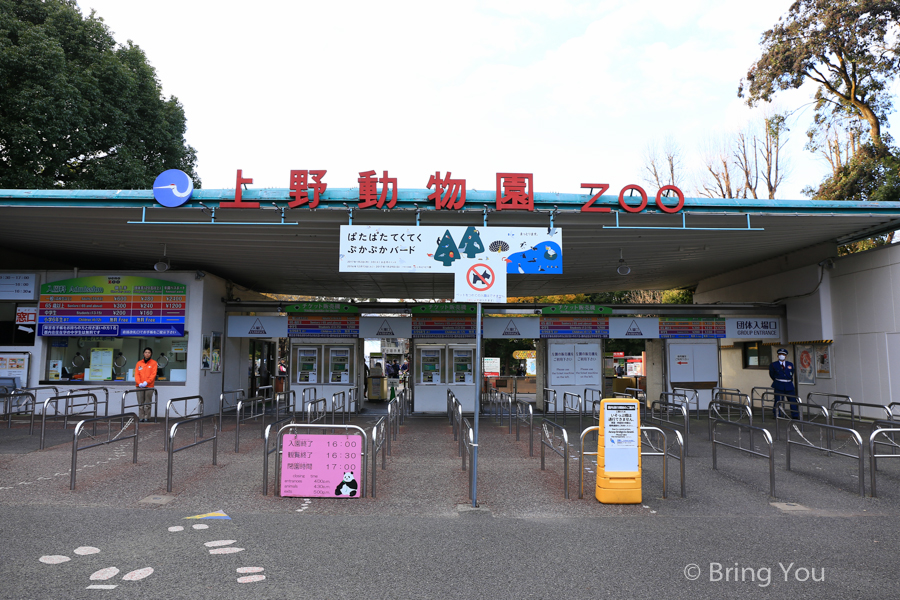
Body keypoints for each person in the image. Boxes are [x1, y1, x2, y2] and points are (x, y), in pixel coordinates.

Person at [768, 348, 798, 419]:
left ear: (786, 356)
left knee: (793, 400)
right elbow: (772, 374)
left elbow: (791, 373)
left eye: (783, 354)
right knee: (778, 401)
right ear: (777, 356)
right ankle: (776, 414)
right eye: (780, 354)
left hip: (789, 385)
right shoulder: (773, 365)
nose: (782, 356)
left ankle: (795, 415)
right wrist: (778, 380)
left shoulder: (790, 364)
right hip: (779, 384)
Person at [134, 347, 157, 422]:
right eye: (146, 352)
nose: (147, 354)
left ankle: (147, 417)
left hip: (149, 385)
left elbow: (153, 374)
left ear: (151, 354)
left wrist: (147, 382)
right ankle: (141, 417)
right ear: (143, 353)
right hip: (139, 386)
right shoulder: (139, 363)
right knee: (140, 402)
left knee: (147, 403)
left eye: (149, 352)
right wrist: (139, 383)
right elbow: (136, 374)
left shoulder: (154, 363)